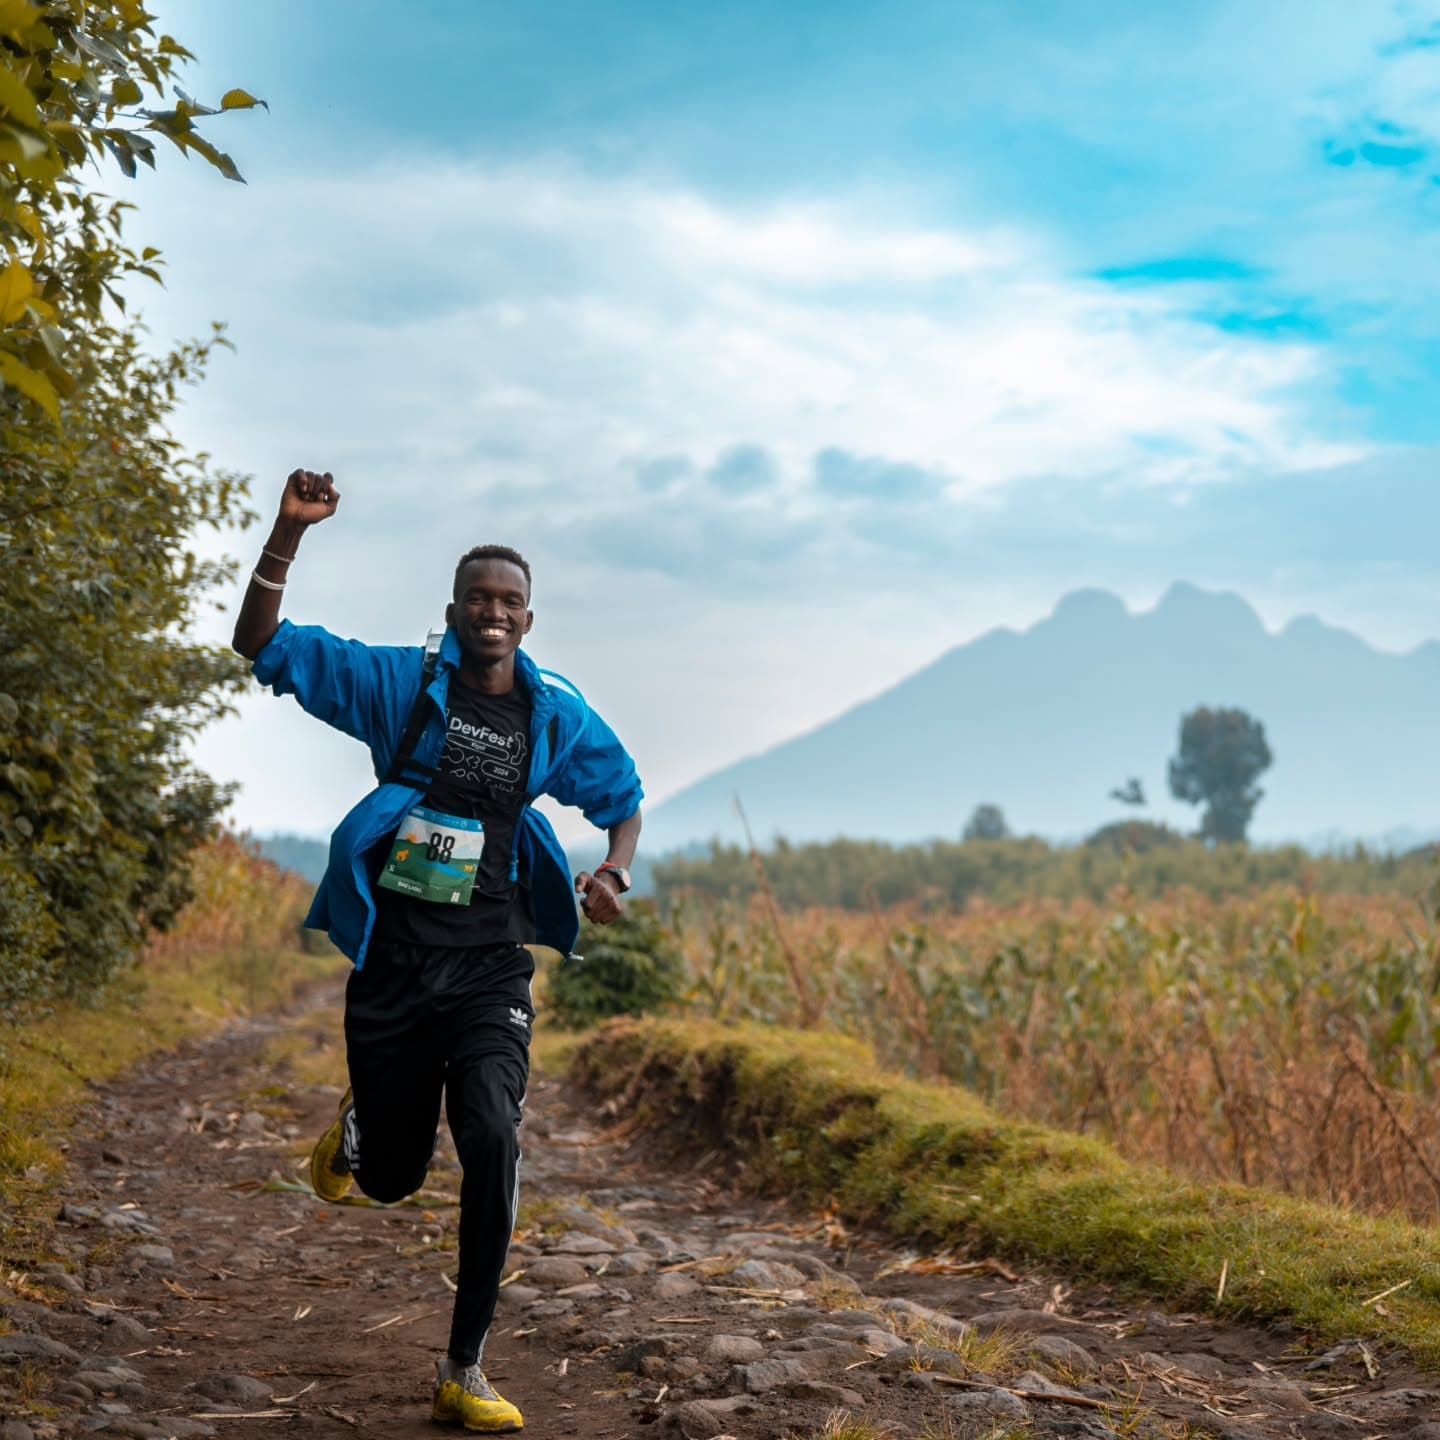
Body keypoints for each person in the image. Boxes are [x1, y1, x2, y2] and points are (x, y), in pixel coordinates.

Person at [232, 469, 643, 1433]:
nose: (492, 613)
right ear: (454, 612)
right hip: (396, 965)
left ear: (527, 620)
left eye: (509, 601)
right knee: (393, 1180)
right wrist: (289, 532)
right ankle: (365, 1130)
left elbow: (621, 798)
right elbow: (261, 643)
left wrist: (613, 874)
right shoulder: (396, 687)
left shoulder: (556, 714)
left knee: (495, 1136)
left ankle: (466, 1367)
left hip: (494, 962)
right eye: (477, 598)